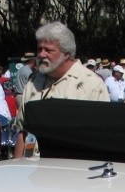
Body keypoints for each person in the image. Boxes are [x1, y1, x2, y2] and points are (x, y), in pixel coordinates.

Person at [16, 21, 110, 157]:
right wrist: (17, 169)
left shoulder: (92, 84)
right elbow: (22, 132)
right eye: (39, 49)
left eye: (48, 50)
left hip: (71, 172)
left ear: (67, 53)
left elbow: (101, 138)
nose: (41, 55)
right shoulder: (33, 82)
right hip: (31, 173)